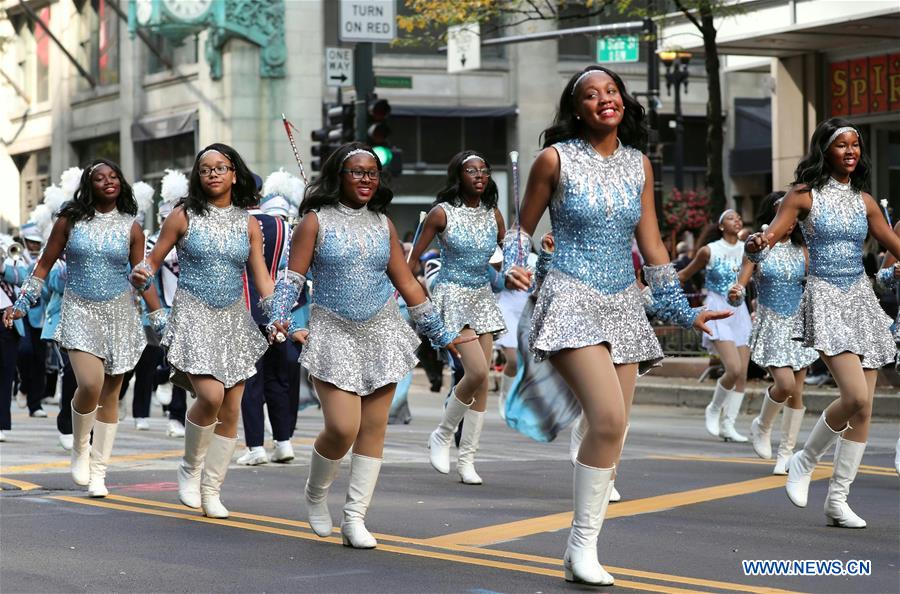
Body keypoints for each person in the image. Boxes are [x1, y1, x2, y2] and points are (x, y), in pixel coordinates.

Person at [502, 65, 728, 586]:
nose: (606, 99)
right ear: (576, 108)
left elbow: (652, 248)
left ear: (623, 101)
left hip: (624, 304)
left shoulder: (639, 165)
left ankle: (583, 549)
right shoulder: (553, 159)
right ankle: (579, 547)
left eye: (612, 91)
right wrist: (518, 262)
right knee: (605, 418)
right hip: (570, 296)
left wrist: (682, 309)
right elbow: (522, 229)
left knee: (615, 428)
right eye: (591, 94)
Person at [268, 141, 470, 549]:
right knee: (342, 427)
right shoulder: (314, 221)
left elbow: (407, 281)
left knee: (374, 429)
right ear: (338, 177)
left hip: (382, 330)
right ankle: (315, 492)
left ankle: (355, 517)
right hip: (333, 331)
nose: (365, 179)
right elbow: (292, 278)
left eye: (372, 173)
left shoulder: (384, 223)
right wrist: (278, 314)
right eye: (357, 172)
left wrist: (439, 331)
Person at [745, 118, 899, 528]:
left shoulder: (865, 201)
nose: (851, 151)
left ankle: (838, 500)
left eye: (856, 145)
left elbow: (893, 244)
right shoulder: (802, 195)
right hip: (825, 298)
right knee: (855, 398)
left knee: (864, 412)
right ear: (824, 151)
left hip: (860, 299)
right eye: (841, 145)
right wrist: (757, 245)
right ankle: (805, 460)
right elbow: (772, 237)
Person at [4, 159, 165, 498]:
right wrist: (22, 303)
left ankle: (99, 472)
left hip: (121, 314)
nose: (108, 181)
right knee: (89, 384)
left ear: (121, 183)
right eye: (99, 177)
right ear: (88, 185)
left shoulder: (132, 227)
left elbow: (142, 276)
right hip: (79, 310)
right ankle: (80, 446)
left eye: (114, 176)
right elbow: (44, 264)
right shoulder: (69, 220)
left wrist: (158, 314)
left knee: (111, 396)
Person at [131, 143, 275, 519]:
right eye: (205, 168)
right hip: (193, 314)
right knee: (210, 396)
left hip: (234, 318)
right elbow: (152, 260)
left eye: (221, 167)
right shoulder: (183, 215)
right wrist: (142, 273)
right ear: (198, 176)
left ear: (234, 174)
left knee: (231, 408)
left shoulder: (248, 223)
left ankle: (212, 489)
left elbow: (261, 277)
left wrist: (279, 314)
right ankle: (189, 469)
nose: (213, 173)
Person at [408, 150, 507, 485]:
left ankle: (467, 460)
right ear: (458, 175)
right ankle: (442, 433)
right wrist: (407, 299)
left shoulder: (494, 214)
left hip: (482, 296)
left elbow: (500, 262)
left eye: (484, 169)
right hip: (452, 294)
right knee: (476, 371)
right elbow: (411, 262)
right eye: (471, 170)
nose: (479, 175)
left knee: (481, 386)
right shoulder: (441, 213)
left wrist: (512, 270)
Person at [731, 192, 818, 474]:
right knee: (785, 385)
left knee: (797, 392)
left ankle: (786, 454)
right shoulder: (757, 246)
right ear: (773, 215)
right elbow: (741, 281)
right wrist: (736, 292)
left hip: (797, 326)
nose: (789, 220)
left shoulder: (803, 250)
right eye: (783, 212)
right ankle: (762, 425)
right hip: (771, 324)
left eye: (793, 215)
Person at [236, 170, 304, 466]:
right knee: (278, 379)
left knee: (252, 381)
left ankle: (255, 446)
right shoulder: (283, 226)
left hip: (244, 311)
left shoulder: (237, 224)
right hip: (277, 312)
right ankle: (284, 441)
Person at [679, 210, 753, 442]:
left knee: (743, 373)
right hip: (716, 308)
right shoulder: (709, 250)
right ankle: (714, 407)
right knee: (733, 369)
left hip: (739, 311)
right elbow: (685, 274)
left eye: (739, 217)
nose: (737, 220)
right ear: (721, 226)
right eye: (731, 218)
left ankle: (729, 424)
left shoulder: (747, 249)